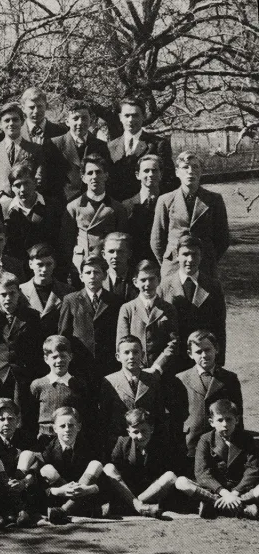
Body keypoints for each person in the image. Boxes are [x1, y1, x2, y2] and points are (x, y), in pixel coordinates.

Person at [151, 151, 230, 280]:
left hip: (205, 266)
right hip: (173, 266)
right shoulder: (165, 200)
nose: (190, 171)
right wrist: (168, 261)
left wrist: (208, 258)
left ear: (201, 171)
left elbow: (223, 238)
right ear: (177, 172)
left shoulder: (214, 200)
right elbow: (157, 240)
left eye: (195, 167)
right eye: (185, 167)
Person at [175, 399, 259, 519]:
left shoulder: (247, 439)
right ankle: (241, 508)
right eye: (220, 420)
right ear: (211, 422)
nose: (225, 424)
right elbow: (202, 472)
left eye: (229, 419)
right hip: (216, 490)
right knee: (181, 482)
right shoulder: (205, 440)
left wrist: (235, 493)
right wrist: (224, 493)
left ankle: (217, 506)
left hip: (240, 490)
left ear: (237, 420)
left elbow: (253, 470)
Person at [173, 329, 243, 471]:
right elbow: (175, 417)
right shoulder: (180, 379)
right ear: (190, 354)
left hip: (221, 442)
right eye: (198, 352)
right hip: (190, 443)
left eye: (208, 350)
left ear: (216, 349)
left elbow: (238, 415)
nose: (204, 355)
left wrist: (238, 446)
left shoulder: (229, 379)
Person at [156, 234, 227, 369]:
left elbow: (219, 326)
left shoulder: (213, 287)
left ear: (201, 256)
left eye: (195, 254)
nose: (190, 259)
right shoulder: (164, 286)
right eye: (185, 254)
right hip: (173, 359)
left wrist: (219, 361)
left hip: (202, 357)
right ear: (177, 255)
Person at [0, 272, 45, 421]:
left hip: (24, 377)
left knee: (22, 419)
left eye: (12, 293)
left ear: (19, 293)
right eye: (3, 294)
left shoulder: (32, 317)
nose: (8, 298)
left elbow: (37, 349)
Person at [102, 409, 178, 519]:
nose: (141, 436)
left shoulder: (161, 445)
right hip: (128, 490)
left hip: (151, 491)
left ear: (152, 429)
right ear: (128, 431)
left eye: (144, 431)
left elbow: (164, 473)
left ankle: (132, 506)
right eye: (135, 432)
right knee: (109, 468)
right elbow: (116, 473)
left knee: (170, 476)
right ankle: (139, 507)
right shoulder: (122, 443)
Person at [60, 154, 128, 275]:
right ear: (83, 177)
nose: (94, 177)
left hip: (107, 267)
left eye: (98, 172)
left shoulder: (117, 208)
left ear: (106, 175)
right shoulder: (73, 207)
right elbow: (67, 243)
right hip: (82, 266)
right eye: (90, 173)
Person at [58, 254, 121, 382]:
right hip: (80, 365)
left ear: (104, 275)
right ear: (81, 277)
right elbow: (64, 334)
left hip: (109, 365)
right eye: (88, 272)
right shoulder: (71, 300)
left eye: (96, 272)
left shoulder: (116, 301)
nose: (92, 276)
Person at [0, 398, 38, 526]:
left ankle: (17, 511)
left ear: (18, 420)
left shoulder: (27, 438)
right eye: (1, 419)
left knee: (27, 455)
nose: (6, 423)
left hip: (22, 486)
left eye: (11, 419)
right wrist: (6, 482)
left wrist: (24, 482)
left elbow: (35, 466)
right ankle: (20, 510)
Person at [38, 407, 105, 524]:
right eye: (62, 426)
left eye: (71, 425)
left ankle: (64, 510)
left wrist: (87, 490)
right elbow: (41, 486)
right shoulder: (48, 449)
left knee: (95, 464)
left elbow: (103, 482)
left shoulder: (89, 448)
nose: (67, 430)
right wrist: (60, 491)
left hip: (85, 493)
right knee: (47, 469)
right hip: (60, 496)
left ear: (79, 427)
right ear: (55, 428)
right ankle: (72, 508)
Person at [116, 260, 179, 376]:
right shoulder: (127, 309)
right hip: (134, 371)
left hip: (161, 372)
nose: (147, 284)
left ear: (159, 280)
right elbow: (122, 343)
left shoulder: (168, 309)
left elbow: (173, 342)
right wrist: (137, 368)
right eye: (143, 280)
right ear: (135, 282)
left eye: (151, 279)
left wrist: (157, 367)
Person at [28, 335, 93, 446]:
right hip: (44, 441)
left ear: (70, 357)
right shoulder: (38, 385)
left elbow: (84, 415)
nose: (59, 360)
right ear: (46, 359)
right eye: (54, 357)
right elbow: (30, 416)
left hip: (71, 439)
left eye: (63, 356)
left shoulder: (78, 385)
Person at [107, 98, 176, 201]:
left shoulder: (158, 144)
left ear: (143, 117)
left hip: (148, 205)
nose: (131, 120)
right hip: (119, 207)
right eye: (127, 115)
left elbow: (168, 178)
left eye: (135, 115)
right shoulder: (110, 147)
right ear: (120, 117)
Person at [44, 100, 109, 201]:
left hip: (94, 204)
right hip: (64, 206)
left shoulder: (101, 146)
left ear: (90, 120)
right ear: (67, 121)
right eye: (75, 118)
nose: (80, 122)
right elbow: (49, 180)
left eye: (84, 118)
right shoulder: (54, 145)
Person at [0, 102, 43, 202]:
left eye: (15, 119)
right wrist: (1, 197)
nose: (11, 123)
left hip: (29, 205)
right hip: (2, 208)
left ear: (22, 122)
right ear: (0, 124)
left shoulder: (36, 149)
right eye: (6, 120)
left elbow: (40, 179)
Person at [2, 163, 62, 260]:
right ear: (12, 188)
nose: (23, 189)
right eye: (17, 185)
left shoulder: (52, 206)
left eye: (27, 183)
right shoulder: (6, 210)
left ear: (35, 182)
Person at [20, 243, 73, 336]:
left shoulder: (67, 291)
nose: (44, 269)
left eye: (48, 264)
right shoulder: (21, 291)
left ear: (54, 264)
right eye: (40, 264)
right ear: (30, 264)